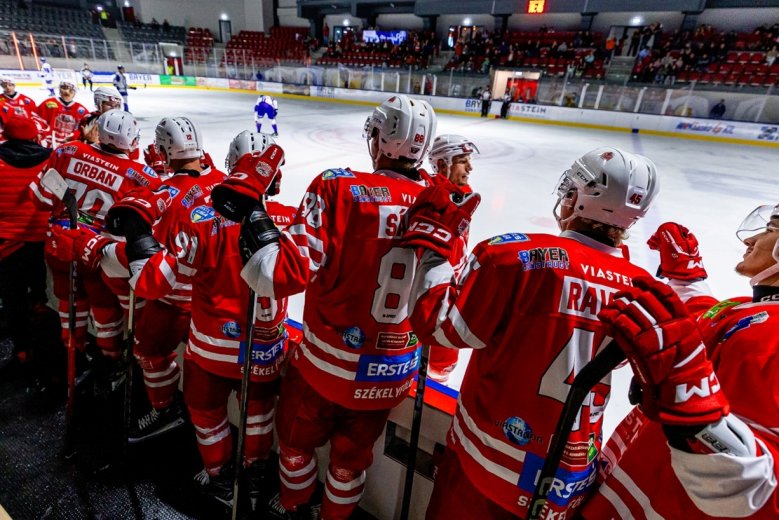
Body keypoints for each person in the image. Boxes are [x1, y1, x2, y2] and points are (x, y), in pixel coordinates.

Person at [404, 147, 660, 519]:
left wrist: (436, 254)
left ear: (579, 199)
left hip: (485, 462)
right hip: (567, 479)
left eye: (571, 188)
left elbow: (441, 329)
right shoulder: (643, 290)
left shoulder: (511, 255)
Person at [222, 94, 438, 519]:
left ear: (379, 139)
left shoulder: (338, 187)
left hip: (325, 369)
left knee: (296, 447)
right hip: (391, 375)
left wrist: (250, 213)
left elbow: (276, 276)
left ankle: (294, 508)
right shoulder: (442, 206)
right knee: (349, 463)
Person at [71, 130, 295, 510]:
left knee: (206, 413)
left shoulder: (202, 219)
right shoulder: (291, 220)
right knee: (257, 413)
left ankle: (220, 478)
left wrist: (134, 242)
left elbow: (157, 282)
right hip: (265, 344)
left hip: (210, 345)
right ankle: (254, 479)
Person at [579, 212, 779, 519]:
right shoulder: (754, 311)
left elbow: (759, 486)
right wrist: (688, 279)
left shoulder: (772, 340)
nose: (751, 239)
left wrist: (694, 403)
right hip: (629, 489)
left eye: (769, 229)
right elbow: (713, 325)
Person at [30, 110, 160, 375]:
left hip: (60, 243)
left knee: (68, 302)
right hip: (97, 252)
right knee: (104, 306)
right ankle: (109, 358)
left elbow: (39, 199)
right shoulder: (140, 174)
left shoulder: (67, 151)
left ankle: (72, 351)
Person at [424, 134, 480, 383]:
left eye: (468, 159)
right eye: (461, 160)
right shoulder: (430, 201)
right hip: (430, 301)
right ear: (441, 164)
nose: (470, 167)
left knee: (440, 373)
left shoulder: (463, 196)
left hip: (449, 298)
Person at [0, 115, 53, 369]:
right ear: (35, 136)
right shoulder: (52, 159)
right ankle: (47, 347)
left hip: (7, 244)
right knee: (44, 295)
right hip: (44, 240)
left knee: (13, 298)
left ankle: (22, 348)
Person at [35, 80, 88, 148]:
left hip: (70, 146)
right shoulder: (49, 103)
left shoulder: (81, 110)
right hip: (48, 144)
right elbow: (38, 120)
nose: (67, 92)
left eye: (71, 90)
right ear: (60, 90)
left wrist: (74, 136)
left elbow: (83, 129)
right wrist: (41, 133)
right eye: (64, 88)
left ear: (75, 92)